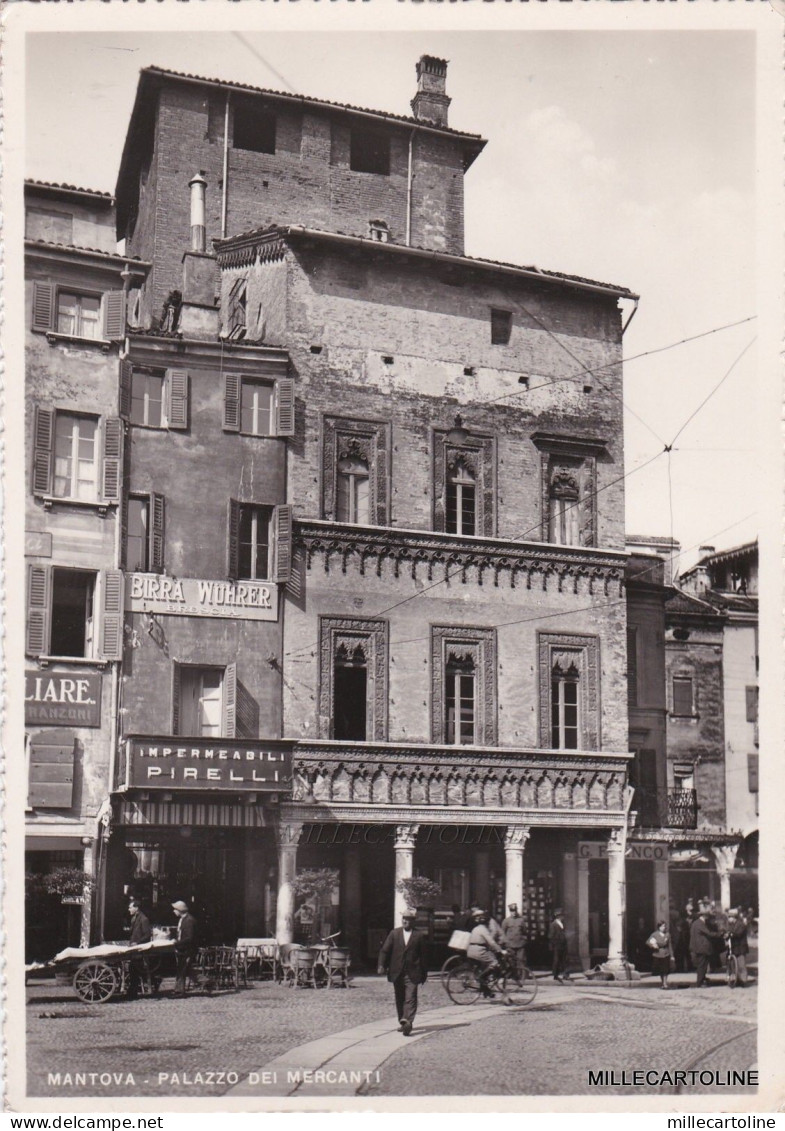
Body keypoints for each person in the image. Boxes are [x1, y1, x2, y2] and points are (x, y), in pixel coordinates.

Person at [377, 909, 428, 1036]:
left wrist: (424, 973)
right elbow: (385, 951)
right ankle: (402, 1021)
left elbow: (424, 956)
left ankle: (408, 1021)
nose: (405, 921)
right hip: (397, 972)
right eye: (403, 918)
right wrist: (381, 965)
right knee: (399, 997)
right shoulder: (394, 934)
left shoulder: (419, 935)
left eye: (408, 919)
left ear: (413, 921)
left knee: (411, 997)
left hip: (413, 972)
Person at [466, 909, 506, 998]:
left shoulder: (475, 929)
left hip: (470, 951)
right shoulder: (483, 929)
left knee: (483, 969)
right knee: (494, 963)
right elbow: (491, 942)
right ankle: (481, 979)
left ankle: (486, 991)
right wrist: (500, 950)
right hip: (479, 951)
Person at [172, 900, 198, 996]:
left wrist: (177, 942)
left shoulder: (189, 920)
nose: (174, 911)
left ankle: (179, 991)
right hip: (182, 948)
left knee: (183, 969)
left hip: (188, 949)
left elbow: (189, 937)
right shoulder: (183, 919)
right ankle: (178, 989)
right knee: (184, 969)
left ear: (180, 910)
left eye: (175, 909)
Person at [689, 908, 721, 988]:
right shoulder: (700, 923)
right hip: (702, 947)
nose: (708, 917)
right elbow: (709, 933)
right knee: (702, 965)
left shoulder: (696, 923)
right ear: (704, 916)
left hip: (699, 946)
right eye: (707, 916)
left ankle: (702, 978)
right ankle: (699, 982)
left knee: (703, 964)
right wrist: (719, 934)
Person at [646, 920, 674, 990]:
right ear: (659, 927)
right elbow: (648, 942)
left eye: (665, 926)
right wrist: (653, 946)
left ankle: (665, 983)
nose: (664, 928)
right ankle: (663, 983)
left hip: (666, 953)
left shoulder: (667, 934)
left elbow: (669, 945)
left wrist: (672, 955)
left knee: (666, 970)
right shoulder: (655, 934)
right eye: (662, 926)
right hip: (658, 954)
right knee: (661, 970)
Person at [501, 903, 527, 977]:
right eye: (512, 911)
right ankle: (512, 975)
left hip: (520, 944)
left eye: (515, 910)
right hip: (510, 944)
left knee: (521, 960)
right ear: (510, 911)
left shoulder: (521, 920)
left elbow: (524, 931)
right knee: (511, 961)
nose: (514, 912)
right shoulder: (506, 921)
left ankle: (521, 976)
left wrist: (524, 940)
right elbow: (503, 933)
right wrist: (505, 943)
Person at [726, 907, 750, 987]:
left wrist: (731, 934)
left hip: (740, 947)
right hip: (734, 947)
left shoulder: (741, 924)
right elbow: (729, 932)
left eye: (730, 917)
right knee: (735, 965)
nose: (729, 919)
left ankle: (744, 981)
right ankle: (738, 979)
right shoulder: (731, 925)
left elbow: (738, 933)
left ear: (734, 917)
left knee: (741, 965)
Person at [549, 908, 569, 983]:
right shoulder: (553, 924)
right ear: (558, 916)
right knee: (556, 960)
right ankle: (555, 975)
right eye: (561, 916)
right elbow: (551, 936)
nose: (562, 917)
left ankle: (565, 974)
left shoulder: (562, 924)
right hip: (557, 945)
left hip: (563, 944)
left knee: (564, 960)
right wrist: (554, 945)